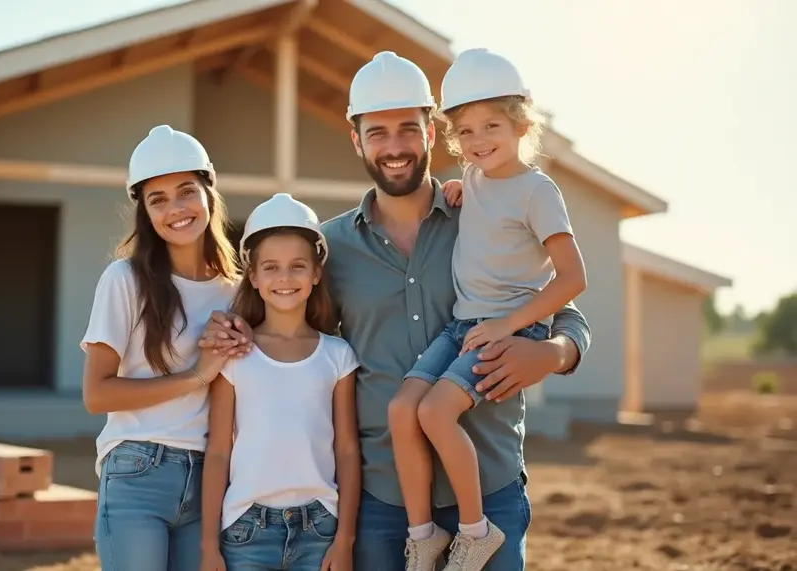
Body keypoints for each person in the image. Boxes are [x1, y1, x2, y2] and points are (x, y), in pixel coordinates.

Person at [199, 50, 591, 571]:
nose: (395, 147)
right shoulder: (328, 249)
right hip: (383, 499)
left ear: (431, 134)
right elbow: (281, 316)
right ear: (356, 139)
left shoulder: (479, 213)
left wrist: (554, 354)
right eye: (377, 132)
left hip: (490, 482)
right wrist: (228, 327)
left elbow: (565, 308)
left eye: (408, 129)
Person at [388, 48, 588, 571]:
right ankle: (423, 533)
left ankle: (477, 533)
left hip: (500, 330)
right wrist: (458, 184)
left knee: (434, 411)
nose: (479, 142)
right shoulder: (471, 181)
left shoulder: (538, 191)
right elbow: (474, 202)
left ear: (521, 123)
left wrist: (511, 326)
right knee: (402, 410)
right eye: (467, 132)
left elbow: (573, 278)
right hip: (462, 326)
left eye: (492, 126)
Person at [80, 125, 242, 571]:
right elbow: (97, 394)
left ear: (209, 193)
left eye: (186, 191)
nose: (176, 209)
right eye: (158, 199)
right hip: (138, 469)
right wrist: (195, 376)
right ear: (145, 212)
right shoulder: (124, 281)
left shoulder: (239, 292)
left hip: (211, 477)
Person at [199, 193, 361, 571]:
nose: (284, 278)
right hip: (245, 531)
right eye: (270, 267)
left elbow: (348, 451)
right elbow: (219, 451)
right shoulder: (234, 357)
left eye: (297, 266)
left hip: (320, 528)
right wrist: (209, 547)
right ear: (252, 276)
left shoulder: (338, 356)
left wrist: (345, 539)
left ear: (316, 273)